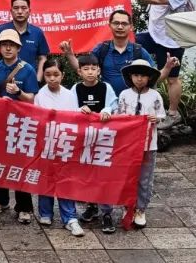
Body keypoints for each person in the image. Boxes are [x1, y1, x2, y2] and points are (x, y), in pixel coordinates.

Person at [124, 0, 192, 127]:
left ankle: (173, 113)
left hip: (172, 41)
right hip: (153, 36)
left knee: (172, 79)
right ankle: (135, 95)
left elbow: (157, 0)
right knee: (129, 45)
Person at [60, 9, 176, 96]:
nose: (120, 26)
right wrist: (70, 54)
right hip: (107, 102)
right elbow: (82, 69)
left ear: (130, 27)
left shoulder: (138, 51)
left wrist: (167, 67)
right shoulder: (102, 49)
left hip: (134, 103)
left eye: (124, 24)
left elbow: (154, 77)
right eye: (116, 23)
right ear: (109, 25)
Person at [0, 28, 37, 223]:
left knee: (20, 164)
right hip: (0, 123)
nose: (8, 48)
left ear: (18, 48)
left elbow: (32, 99)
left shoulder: (28, 69)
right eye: (4, 44)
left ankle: (24, 206)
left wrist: (18, 92)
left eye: (12, 45)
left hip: (21, 123)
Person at [33, 59, 85, 237]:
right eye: (48, 75)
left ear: (63, 75)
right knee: (46, 178)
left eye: (56, 74)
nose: (52, 79)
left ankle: (69, 217)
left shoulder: (69, 94)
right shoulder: (40, 95)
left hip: (65, 142)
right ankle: (45, 213)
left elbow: (74, 118)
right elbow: (38, 120)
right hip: (47, 143)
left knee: (65, 180)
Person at [72, 53, 118, 231]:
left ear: (99, 70)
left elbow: (114, 105)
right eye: (86, 69)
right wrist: (78, 109)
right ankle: (92, 206)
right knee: (87, 174)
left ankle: (107, 212)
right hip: (85, 138)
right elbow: (69, 108)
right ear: (79, 71)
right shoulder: (75, 89)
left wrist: (107, 109)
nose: (90, 72)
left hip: (104, 139)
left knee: (103, 175)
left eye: (93, 68)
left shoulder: (106, 87)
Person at [117, 59, 166, 229]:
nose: (139, 79)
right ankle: (127, 206)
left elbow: (162, 115)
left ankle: (141, 208)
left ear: (149, 78)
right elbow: (119, 116)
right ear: (131, 76)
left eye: (143, 76)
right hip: (128, 145)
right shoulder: (124, 95)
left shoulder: (154, 95)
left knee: (145, 178)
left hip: (148, 144)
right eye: (136, 75)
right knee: (126, 176)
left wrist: (156, 118)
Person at [0, 0, 50, 81]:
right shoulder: (1, 29)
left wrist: (37, 80)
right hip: (5, 79)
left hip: (29, 80)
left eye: (24, 8)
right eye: (16, 8)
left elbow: (42, 58)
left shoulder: (37, 32)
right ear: (11, 11)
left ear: (29, 11)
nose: (20, 11)